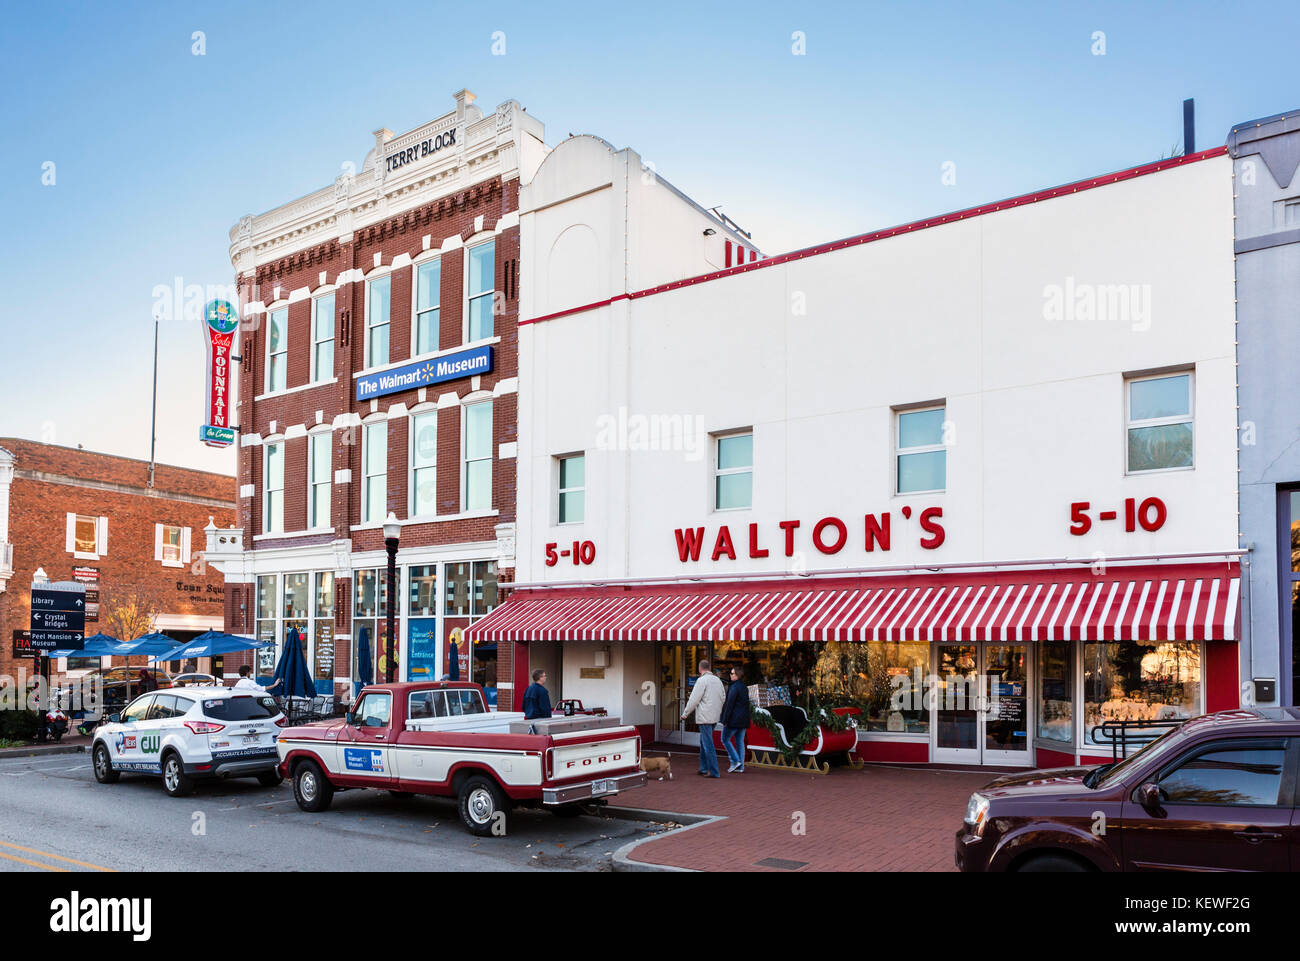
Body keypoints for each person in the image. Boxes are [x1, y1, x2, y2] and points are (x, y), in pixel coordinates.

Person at [680, 659, 724, 778]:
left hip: (705, 716)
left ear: (700, 669)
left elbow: (694, 699)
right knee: (704, 741)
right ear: (709, 668)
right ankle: (703, 768)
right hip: (715, 716)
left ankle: (714, 771)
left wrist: (685, 713)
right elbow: (723, 697)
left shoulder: (701, 681)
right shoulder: (717, 680)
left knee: (707, 744)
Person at [720, 665, 751, 773]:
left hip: (734, 719)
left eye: (732, 673)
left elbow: (729, 704)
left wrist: (725, 720)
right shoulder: (744, 687)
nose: (730, 675)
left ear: (737, 675)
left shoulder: (734, 687)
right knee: (740, 742)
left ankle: (735, 761)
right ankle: (741, 767)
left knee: (724, 739)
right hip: (743, 719)